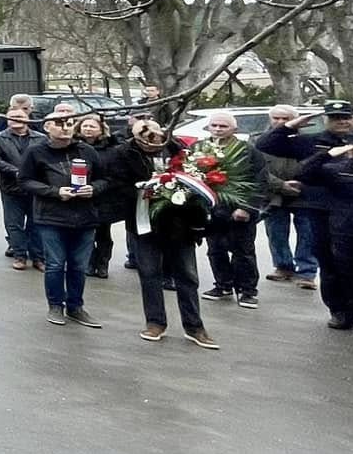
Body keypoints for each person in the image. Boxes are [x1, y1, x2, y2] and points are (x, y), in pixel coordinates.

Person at [118, 120, 218, 349]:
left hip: (181, 225)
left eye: (156, 135)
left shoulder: (179, 149)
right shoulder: (123, 154)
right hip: (144, 224)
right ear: (135, 137)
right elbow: (117, 185)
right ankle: (155, 322)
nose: (152, 141)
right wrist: (147, 190)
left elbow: (196, 179)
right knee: (150, 274)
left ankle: (194, 326)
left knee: (187, 276)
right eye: (145, 137)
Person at [19, 112, 108, 327]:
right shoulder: (36, 151)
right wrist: (55, 192)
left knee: (78, 265)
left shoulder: (86, 150)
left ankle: (75, 307)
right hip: (51, 217)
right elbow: (25, 180)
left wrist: (93, 188)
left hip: (85, 217)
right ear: (47, 127)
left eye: (69, 123)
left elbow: (104, 179)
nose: (65, 127)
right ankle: (55, 306)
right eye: (59, 124)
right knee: (56, 264)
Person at [193, 110, 266, 307]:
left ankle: (247, 291)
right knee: (215, 249)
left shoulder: (247, 150)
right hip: (211, 209)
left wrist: (246, 207)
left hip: (238, 210)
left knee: (243, 252)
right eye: (214, 125)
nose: (218, 129)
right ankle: (223, 285)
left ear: (234, 129)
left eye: (223, 126)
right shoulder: (198, 148)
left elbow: (259, 180)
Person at [298, 100, 353, 330]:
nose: (341, 121)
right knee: (335, 268)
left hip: (343, 222)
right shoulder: (336, 167)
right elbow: (305, 173)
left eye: (346, 117)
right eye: (335, 118)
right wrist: (327, 155)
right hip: (336, 223)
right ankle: (340, 311)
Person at [257, 105, 319, 290]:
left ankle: (307, 272)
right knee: (276, 232)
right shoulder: (260, 140)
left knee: (308, 233)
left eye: (285, 119)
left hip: (304, 193)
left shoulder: (308, 140)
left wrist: (301, 184)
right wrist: (280, 185)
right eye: (276, 118)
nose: (280, 122)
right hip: (274, 193)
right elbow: (257, 169)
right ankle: (283, 266)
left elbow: (317, 165)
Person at [0, 106, 46, 270]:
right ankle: (20, 256)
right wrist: (17, 172)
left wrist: (33, 174)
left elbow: (46, 159)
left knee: (36, 224)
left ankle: (38, 258)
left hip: (35, 188)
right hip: (11, 188)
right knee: (14, 224)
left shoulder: (41, 138)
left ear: (27, 118)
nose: (15, 119)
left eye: (19, 116)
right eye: (11, 116)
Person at [74, 113, 130, 278]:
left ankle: (103, 263)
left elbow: (117, 175)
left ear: (101, 130)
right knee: (85, 233)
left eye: (92, 126)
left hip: (105, 197)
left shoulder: (112, 149)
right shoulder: (74, 147)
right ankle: (90, 263)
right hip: (81, 197)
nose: (88, 129)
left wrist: (98, 187)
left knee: (103, 233)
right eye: (85, 126)